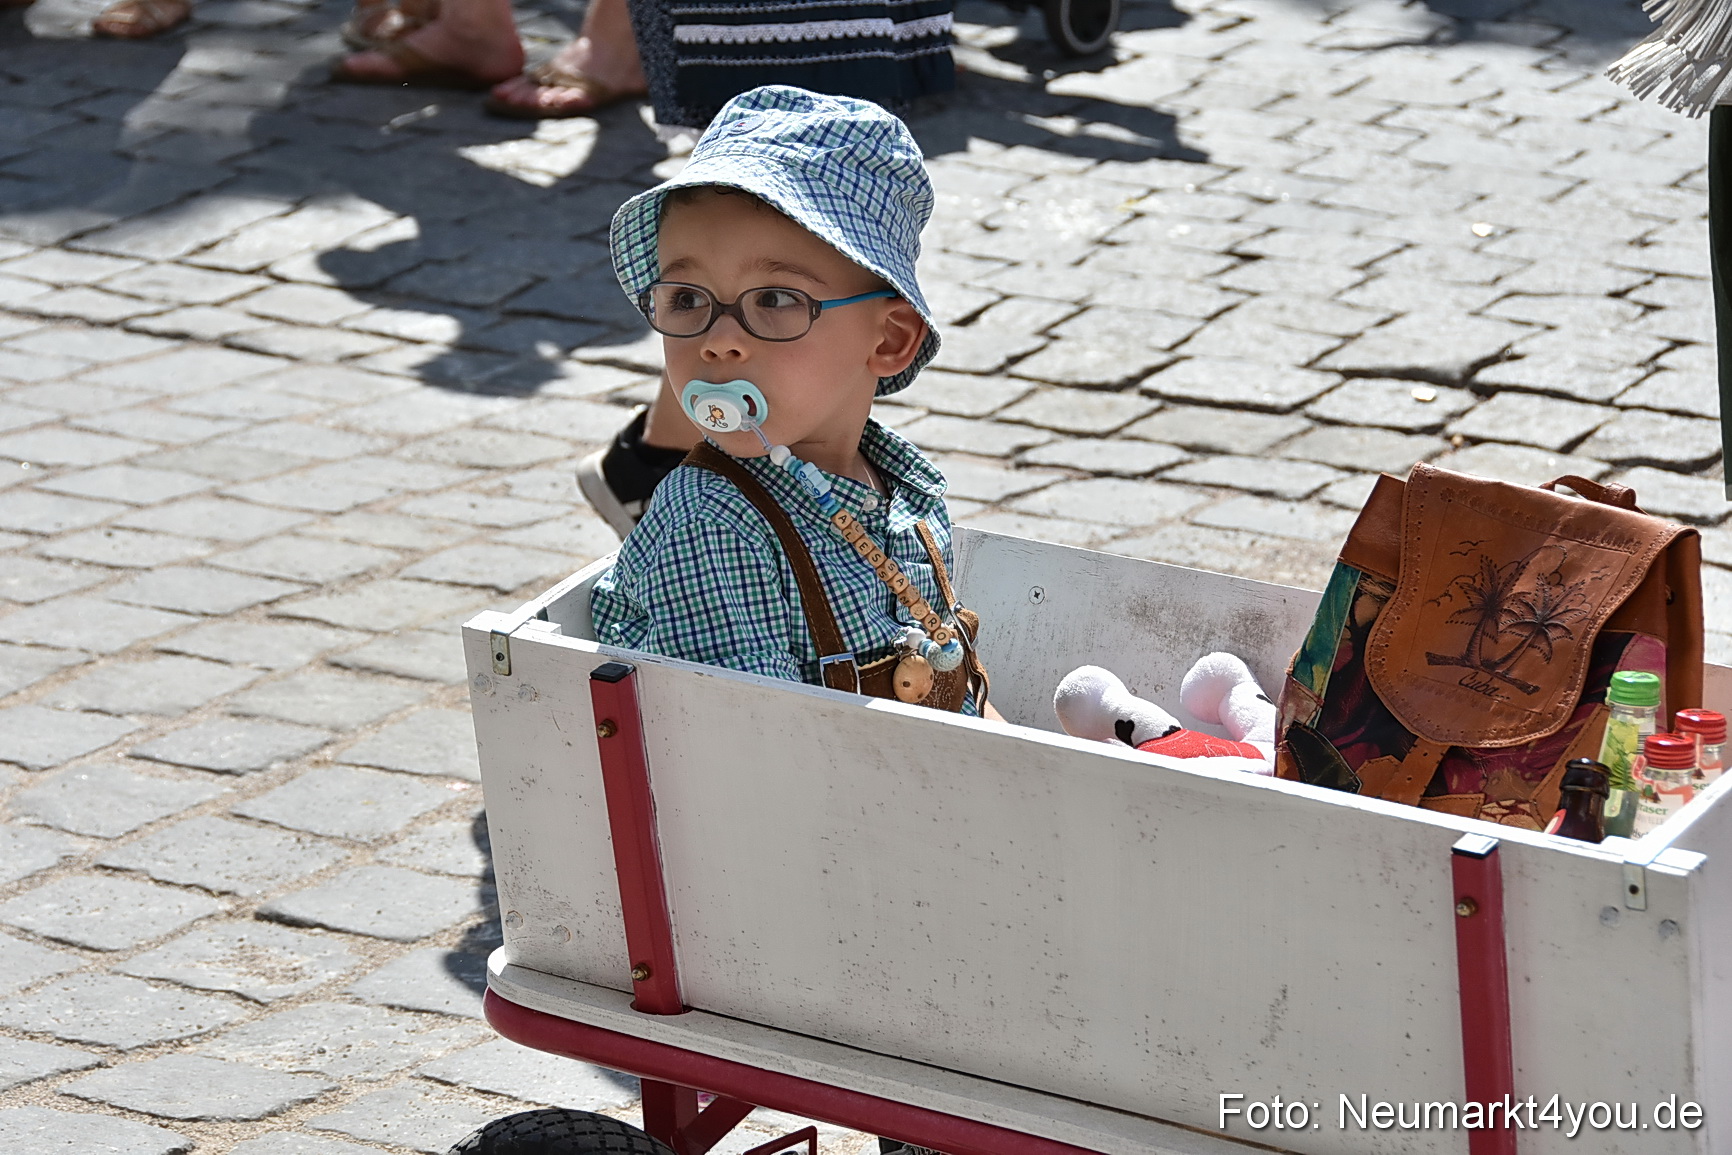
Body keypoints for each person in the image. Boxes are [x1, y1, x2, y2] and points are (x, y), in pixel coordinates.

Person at [588, 85, 992, 718]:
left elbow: (960, 691)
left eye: (774, 300)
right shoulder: (712, 527)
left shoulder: (905, 493)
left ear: (888, 340)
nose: (719, 343)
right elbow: (758, 754)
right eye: (687, 299)